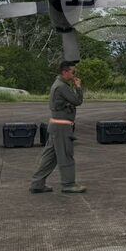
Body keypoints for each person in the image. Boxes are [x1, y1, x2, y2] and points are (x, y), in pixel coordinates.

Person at [29, 61, 87, 193]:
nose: (74, 75)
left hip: (56, 126)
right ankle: (69, 184)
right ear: (65, 72)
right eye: (73, 72)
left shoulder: (60, 85)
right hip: (62, 127)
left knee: (49, 157)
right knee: (66, 155)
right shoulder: (62, 87)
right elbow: (77, 101)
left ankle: (37, 183)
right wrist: (78, 87)